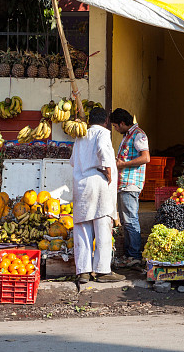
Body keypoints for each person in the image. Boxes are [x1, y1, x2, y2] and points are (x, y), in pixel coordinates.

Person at [70, 107, 123, 284]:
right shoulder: (103, 133)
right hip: (99, 182)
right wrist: (108, 171)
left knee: (82, 228)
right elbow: (103, 150)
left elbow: (72, 161)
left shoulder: (80, 136)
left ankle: (83, 271)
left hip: (81, 184)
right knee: (102, 227)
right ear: (106, 121)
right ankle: (102, 271)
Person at [109, 108, 150, 269]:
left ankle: (134, 255)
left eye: (115, 126)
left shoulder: (138, 135)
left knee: (131, 220)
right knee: (127, 220)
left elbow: (146, 158)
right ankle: (129, 255)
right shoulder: (128, 135)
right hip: (124, 183)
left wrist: (122, 164)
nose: (115, 129)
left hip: (130, 184)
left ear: (122, 123)